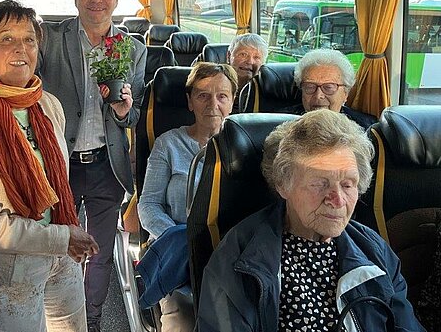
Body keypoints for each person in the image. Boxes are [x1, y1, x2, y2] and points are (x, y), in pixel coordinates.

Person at [0, 0, 98, 332]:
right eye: (6, 39)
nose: (20, 48)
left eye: (29, 39)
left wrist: (63, 239)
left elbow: (57, 184)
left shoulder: (48, 105)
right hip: (4, 266)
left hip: (60, 251)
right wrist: (62, 238)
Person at [196, 109, 424, 332]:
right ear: (283, 184)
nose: (338, 200)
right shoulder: (238, 257)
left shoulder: (374, 250)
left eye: (347, 185)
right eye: (319, 184)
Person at [38, 0, 147, 331]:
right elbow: (19, 73)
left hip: (106, 165)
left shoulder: (132, 49)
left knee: (99, 253)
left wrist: (124, 111)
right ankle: (57, 319)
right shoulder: (50, 38)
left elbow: (135, 115)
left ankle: (92, 322)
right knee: (57, 247)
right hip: (58, 164)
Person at [138, 62, 237, 332]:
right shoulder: (168, 144)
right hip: (179, 255)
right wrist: (183, 241)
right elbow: (148, 205)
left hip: (230, 255)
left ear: (232, 102)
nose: (213, 104)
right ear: (190, 101)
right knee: (182, 322)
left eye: (222, 96)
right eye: (203, 95)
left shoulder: (245, 148)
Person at [282, 48, 377, 128]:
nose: (318, 95)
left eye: (328, 87)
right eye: (310, 87)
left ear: (345, 93)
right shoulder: (282, 122)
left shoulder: (367, 127)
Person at [226, 33, 267, 112]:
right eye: (243, 54)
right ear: (228, 56)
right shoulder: (215, 84)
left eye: (256, 57)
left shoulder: (267, 92)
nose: (250, 61)